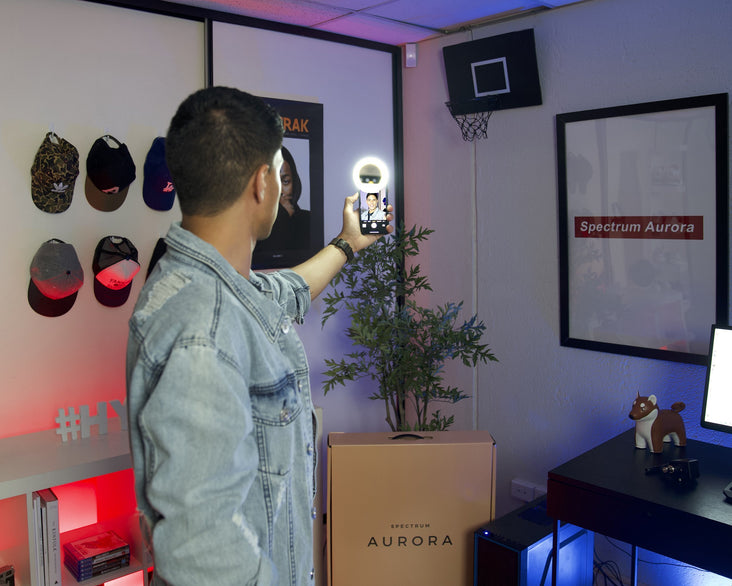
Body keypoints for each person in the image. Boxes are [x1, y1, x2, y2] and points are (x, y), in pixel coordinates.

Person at [126, 86, 392, 586]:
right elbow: (203, 548)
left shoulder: (204, 282)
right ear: (262, 182)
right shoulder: (203, 331)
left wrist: (348, 243)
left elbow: (284, 291)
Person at [257, 145, 310, 251]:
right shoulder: (254, 227)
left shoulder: (308, 220)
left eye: (285, 181)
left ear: (294, 181)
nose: (280, 191)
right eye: (271, 182)